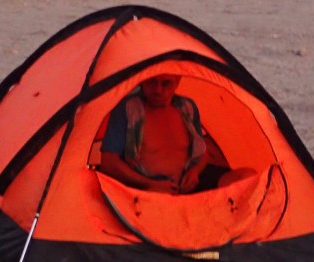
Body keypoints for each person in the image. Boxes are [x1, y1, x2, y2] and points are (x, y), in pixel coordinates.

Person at [96, 75, 226, 194]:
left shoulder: (187, 108)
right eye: (152, 81)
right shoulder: (128, 109)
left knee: (240, 179)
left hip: (187, 185)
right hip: (147, 188)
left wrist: (195, 172)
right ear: (143, 79)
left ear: (177, 82)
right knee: (158, 197)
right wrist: (149, 183)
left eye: (166, 83)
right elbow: (109, 163)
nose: (158, 90)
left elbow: (202, 152)